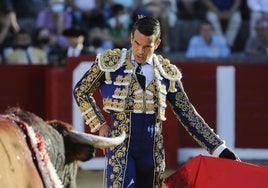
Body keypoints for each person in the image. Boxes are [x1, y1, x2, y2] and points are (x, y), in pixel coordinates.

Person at [73, 16, 239, 188]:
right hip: (121, 147)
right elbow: (81, 91)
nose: (139, 51)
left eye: (147, 46)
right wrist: (100, 124)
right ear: (131, 38)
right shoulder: (111, 63)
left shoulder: (167, 73)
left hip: (153, 152)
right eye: (136, 43)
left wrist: (219, 149)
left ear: (157, 44)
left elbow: (188, 114)